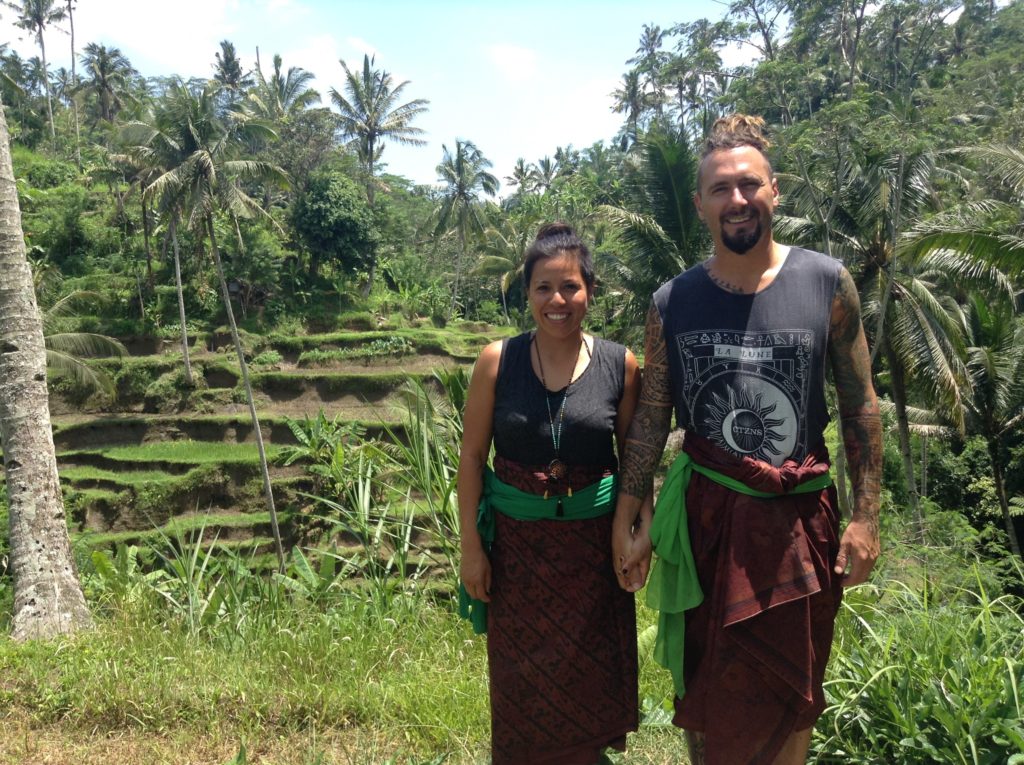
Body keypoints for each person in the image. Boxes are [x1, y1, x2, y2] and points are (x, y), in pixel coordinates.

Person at [611, 114, 883, 765]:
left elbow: (859, 404)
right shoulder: (673, 301)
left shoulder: (826, 283)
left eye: (749, 183)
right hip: (708, 530)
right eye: (720, 188)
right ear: (702, 202)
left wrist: (868, 515)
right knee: (708, 698)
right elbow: (652, 414)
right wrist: (630, 506)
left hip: (800, 528)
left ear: (773, 190)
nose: (737, 198)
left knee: (794, 695)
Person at [458, 222, 645, 765]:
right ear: (527, 293)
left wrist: (641, 533)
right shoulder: (498, 361)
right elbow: (471, 459)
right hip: (518, 558)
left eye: (570, 287)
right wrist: (472, 546)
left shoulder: (620, 364)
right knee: (521, 693)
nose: (557, 300)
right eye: (543, 287)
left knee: (589, 689)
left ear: (589, 291)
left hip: (594, 558)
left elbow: (634, 459)